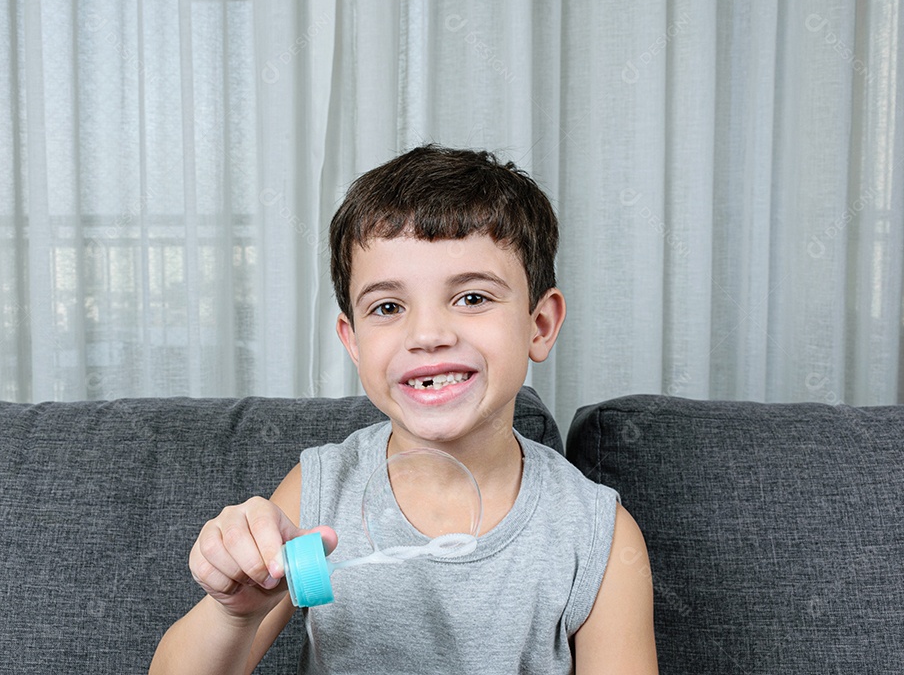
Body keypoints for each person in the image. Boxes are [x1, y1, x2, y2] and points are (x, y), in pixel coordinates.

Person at [150, 145, 658, 674]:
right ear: (354, 342)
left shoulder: (597, 534)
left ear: (540, 324)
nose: (429, 335)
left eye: (472, 298)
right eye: (388, 307)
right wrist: (233, 614)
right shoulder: (321, 489)